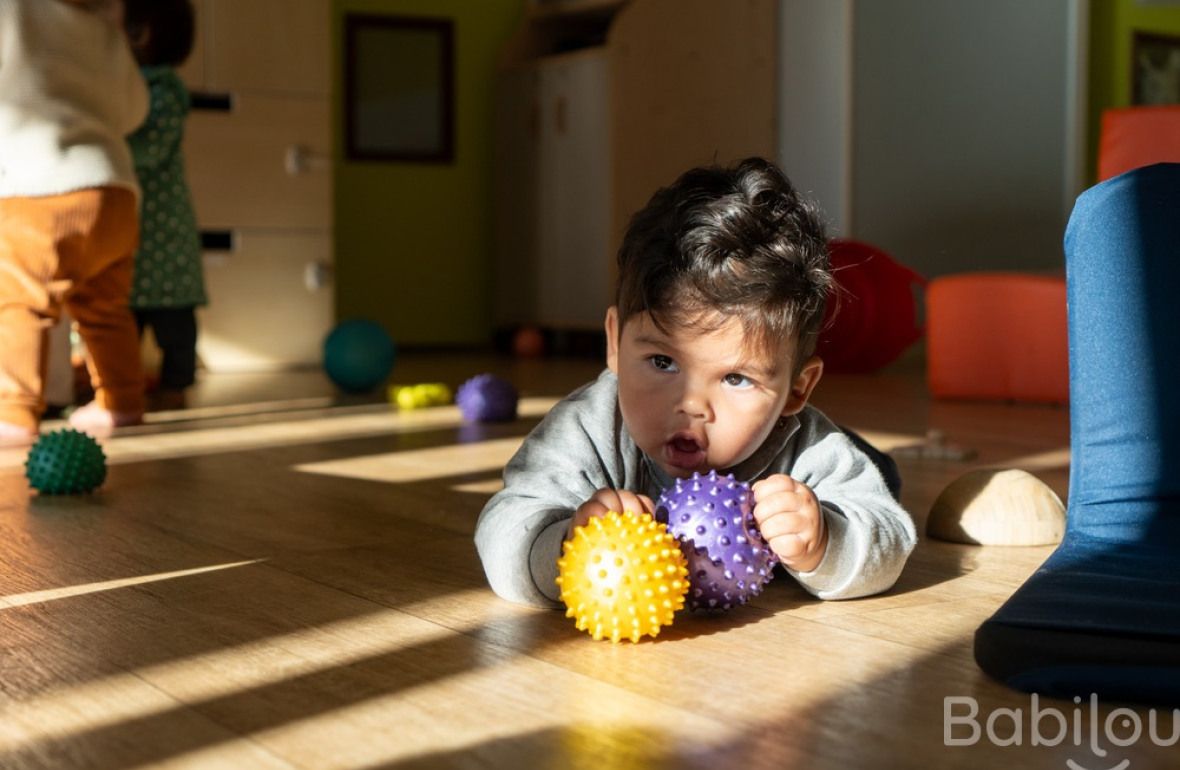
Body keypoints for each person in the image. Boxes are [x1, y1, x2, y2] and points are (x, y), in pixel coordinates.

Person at [475, 157, 917, 607]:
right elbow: (506, 525)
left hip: (848, 467)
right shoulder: (588, 427)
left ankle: (879, 462)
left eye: (735, 378)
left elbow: (891, 537)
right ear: (614, 344)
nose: (692, 405)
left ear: (797, 389)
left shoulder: (807, 447)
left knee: (880, 473)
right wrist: (565, 546)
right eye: (663, 362)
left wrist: (826, 540)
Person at [0, 0, 148, 445]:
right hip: (113, 190)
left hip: (39, 186)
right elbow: (135, 111)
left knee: (22, 304)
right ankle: (121, 401)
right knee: (105, 306)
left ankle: (13, 411)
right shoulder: (105, 29)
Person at [123, 0, 205, 411]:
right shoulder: (129, 82)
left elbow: (150, 149)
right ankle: (121, 379)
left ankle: (177, 383)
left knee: (174, 318)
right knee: (127, 311)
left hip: (164, 231)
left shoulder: (164, 89)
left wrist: (107, 144)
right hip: (135, 229)